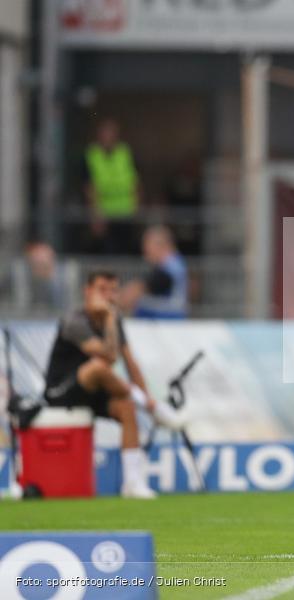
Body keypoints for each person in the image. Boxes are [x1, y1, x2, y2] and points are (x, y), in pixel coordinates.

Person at [43, 270, 187, 499]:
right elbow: (109, 357)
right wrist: (110, 318)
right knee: (98, 367)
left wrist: (145, 392)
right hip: (62, 392)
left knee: (126, 408)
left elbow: (130, 362)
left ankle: (132, 483)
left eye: (113, 290)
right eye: (102, 289)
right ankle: (153, 409)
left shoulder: (115, 319)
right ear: (87, 291)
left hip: (95, 390)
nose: (109, 296)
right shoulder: (75, 320)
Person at [83, 118, 142, 254]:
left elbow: (136, 183)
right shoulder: (92, 154)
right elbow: (89, 187)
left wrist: (137, 208)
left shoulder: (125, 152)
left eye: (111, 134)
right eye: (105, 134)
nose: (108, 137)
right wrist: (95, 213)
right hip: (104, 213)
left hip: (126, 212)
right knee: (106, 250)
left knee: (125, 249)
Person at [121, 226, 189, 319]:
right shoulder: (172, 264)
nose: (145, 254)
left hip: (167, 323)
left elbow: (150, 284)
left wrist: (124, 297)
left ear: (160, 245)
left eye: (147, 247)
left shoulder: (171, 266)